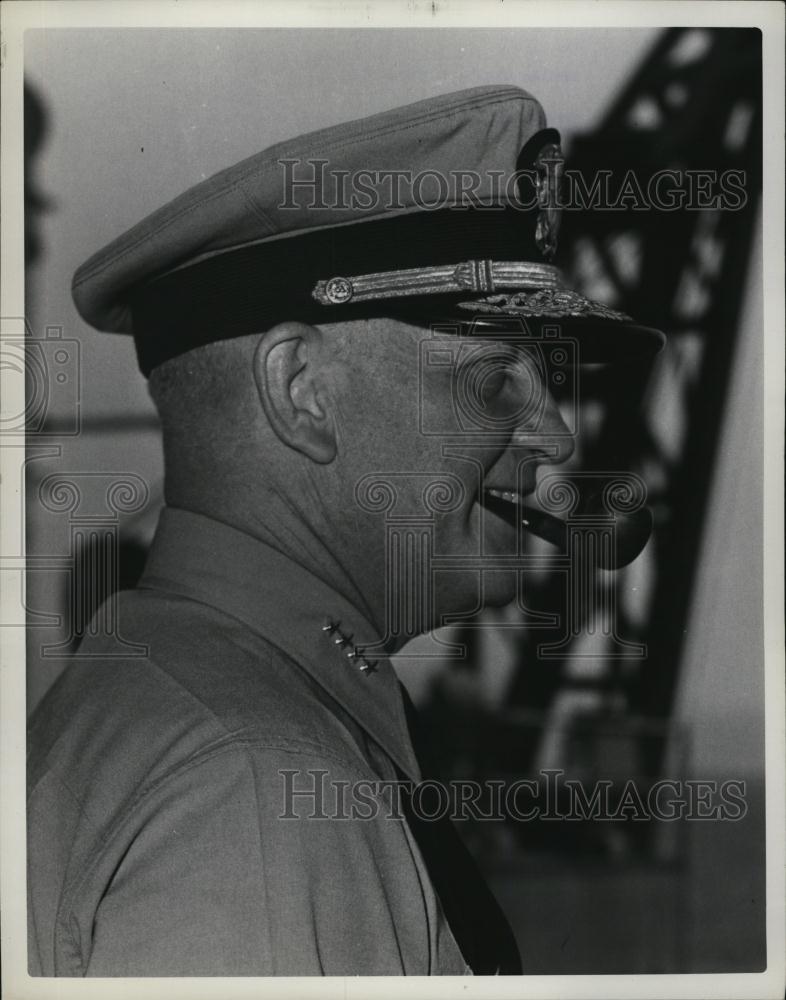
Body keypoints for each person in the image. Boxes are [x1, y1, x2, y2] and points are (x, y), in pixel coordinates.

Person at [27, 85, 663, 976]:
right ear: (301, 393)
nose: (553, 438)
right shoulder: (259, 788)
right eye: (494, 380)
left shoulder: (151, 703)